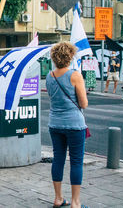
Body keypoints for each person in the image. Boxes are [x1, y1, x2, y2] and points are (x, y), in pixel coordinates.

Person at [46, 42, 88, 208]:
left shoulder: (50, 75)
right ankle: (76, 202)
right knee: (76, 161)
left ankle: (58, 198)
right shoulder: (75, 75)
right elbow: (83, 103)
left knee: (58, 159)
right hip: (74, 124)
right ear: (69, 56)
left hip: (55, 123)